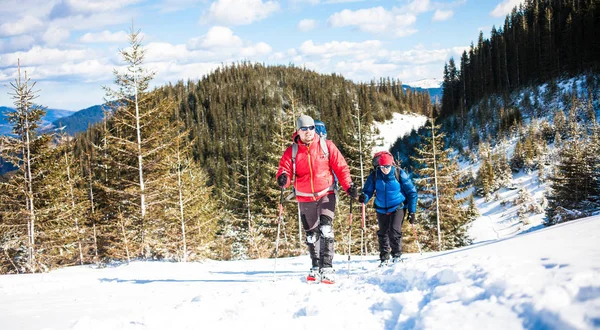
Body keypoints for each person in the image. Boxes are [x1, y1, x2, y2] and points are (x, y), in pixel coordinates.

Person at [276, 114, 358, 283]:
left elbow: (341, 167)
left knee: (326, 228)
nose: (308, 132)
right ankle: (316, 266)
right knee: (311, 234)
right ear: (298, 131)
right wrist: (283, 178)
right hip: (305, 197)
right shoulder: (292, 151)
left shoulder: (326, 146)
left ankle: (327, 267)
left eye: (311, 128)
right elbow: (284, 169)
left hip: (326, 193)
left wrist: (348, 186)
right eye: (304, 129)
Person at [358, 152, 418, 267]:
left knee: (394, 231)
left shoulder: (399, 173)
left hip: (397, 206)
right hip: (381, 207)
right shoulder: (375, 175)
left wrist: (412, 211)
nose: (384, 169)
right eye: (382, 167)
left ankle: (397, 255)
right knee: (383, 233)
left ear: (392, 165)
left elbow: (412, 192)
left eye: (387, 166)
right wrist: (364, 198)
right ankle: (384, 258)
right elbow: (368, 191)